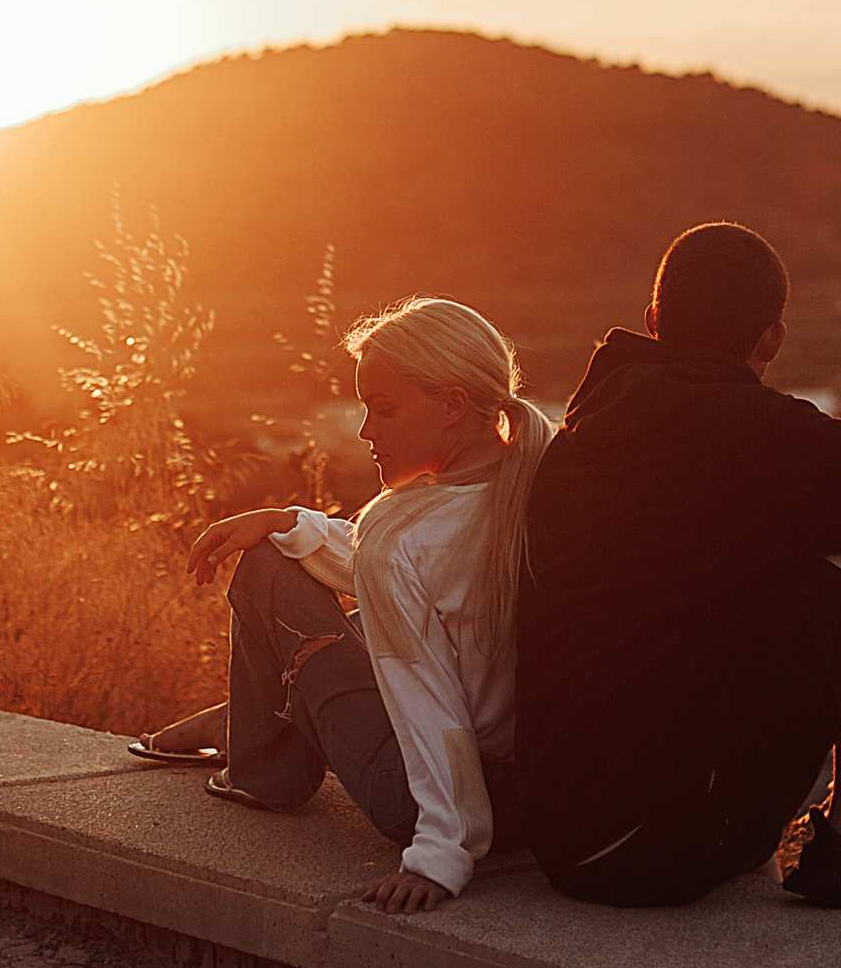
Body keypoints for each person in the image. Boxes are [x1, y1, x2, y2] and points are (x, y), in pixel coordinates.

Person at [514, 222, 841, 915]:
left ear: (654, 321)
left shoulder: (580, 433)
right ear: (771, 338)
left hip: (563, 833)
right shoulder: (761, 434)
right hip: (657, 843)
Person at [131, 296, 554, 914]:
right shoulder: (535, 482)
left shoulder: (402, 539)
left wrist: (441, 853)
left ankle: (256, 762)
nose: (365, 431)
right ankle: (237, 724)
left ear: (452, 405)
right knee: (316, 573)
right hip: (525, 794)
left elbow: (426, 696)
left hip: (422, 801)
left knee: (268, 570)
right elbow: (398, 571)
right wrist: (289, 521)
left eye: (381, 408)